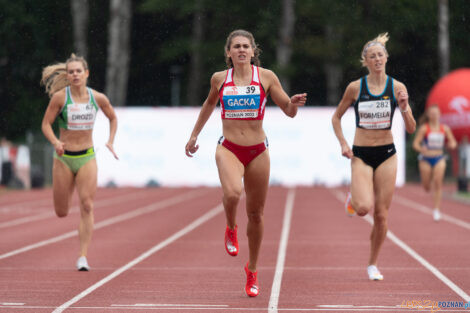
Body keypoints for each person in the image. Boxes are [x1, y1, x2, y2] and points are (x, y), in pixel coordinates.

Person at [185, 29, 307, 297]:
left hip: (258, 152)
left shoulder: (265, 77)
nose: (241, 50)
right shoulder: (219, 79)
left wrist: (294, 104)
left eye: (246, 46)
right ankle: (231, 227)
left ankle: (252, 270)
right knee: (232, 193)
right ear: (228, 52)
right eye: (236, 46)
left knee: (256, 214)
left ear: (254, 51)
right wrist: (194, 135)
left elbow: (288, 110)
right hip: (228, 148)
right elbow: (208, 106)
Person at [331, 33, 416, 281]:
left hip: (387, 154)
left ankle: (372, 264)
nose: (377, 59)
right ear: (365, 61)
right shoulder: (355, 88)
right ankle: (354, 198)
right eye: (372, 56)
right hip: (361, 154)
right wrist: (343, 143)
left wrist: (405, 107)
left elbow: (410, 128)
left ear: (386, 58)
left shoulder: (397, 87)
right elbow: (336, 117)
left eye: (380, 55)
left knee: (381, 215)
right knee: (363, 209)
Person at [41, 53, 118, 271]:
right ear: (67, 75)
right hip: (64, 159)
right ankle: (66, 188)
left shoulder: (97, 98)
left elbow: (113, 117)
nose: (75, 75)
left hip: (87, 157)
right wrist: (56, 141)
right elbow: (46, 124)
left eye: (78, 71)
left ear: (86, 74)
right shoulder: (60, 98)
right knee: (62, 211)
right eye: (71, 71)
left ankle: (83, 256)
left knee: (87, 205)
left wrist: (110, 140)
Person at [412, 104, 457, 221]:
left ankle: (436, 210)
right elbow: (415, 144)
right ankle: (428, 183)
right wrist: (421, 149)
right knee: (427, 186)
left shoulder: (444, 128)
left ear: (439, 114)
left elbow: (453, 142)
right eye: (432, 113)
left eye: (436, 113)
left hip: (439, 157)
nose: (434, 115)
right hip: (425, 159)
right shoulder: (424, 128)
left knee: (438, 182)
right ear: (428, 115)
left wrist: (451, 144)